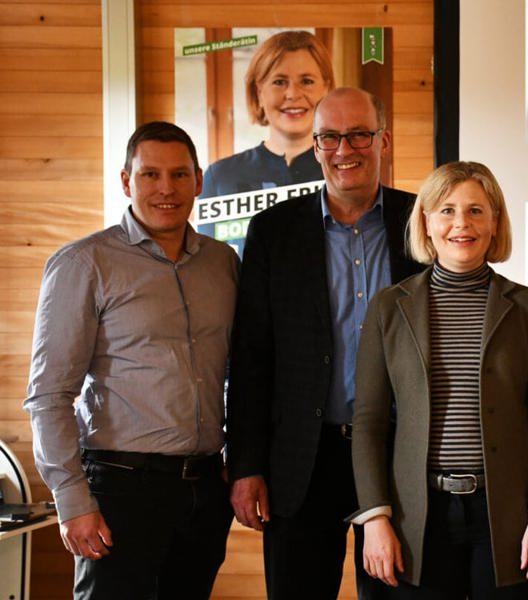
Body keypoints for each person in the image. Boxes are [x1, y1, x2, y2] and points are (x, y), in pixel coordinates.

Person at [23, 121, 239, 599]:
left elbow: (240, 372)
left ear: (199, 181)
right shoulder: (85, 263)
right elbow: (49, 395)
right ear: (127, 181)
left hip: (204, 491)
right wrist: (71, 500)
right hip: (119, 491)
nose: (167, 189)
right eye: (150, 175)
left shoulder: (223, 263)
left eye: (180, 175)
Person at [226, 87, 424, 600]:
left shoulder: (423, 221)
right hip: (301, 462)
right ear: (315, 146)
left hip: (397, 457)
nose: (344, 149)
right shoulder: (274, 232)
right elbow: (251, 357)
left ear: (383, 140)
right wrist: (246, 465)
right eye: (330, 137)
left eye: (359, 134)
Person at [352, 161, 528, 599]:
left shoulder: (527, 308)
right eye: (447, 210)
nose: (461, 223)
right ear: (427, 223)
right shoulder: (388, 308)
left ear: (494, 223)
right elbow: (370, 422)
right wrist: (375, 518)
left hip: (508, 517)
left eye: (475, 210)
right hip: (418, 518)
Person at [200, 30, 334, 197]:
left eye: (307, 81)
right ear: (259, 93)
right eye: (279, 82)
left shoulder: (344, 173)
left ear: (326, 90)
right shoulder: (220, 178)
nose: (293, 94)